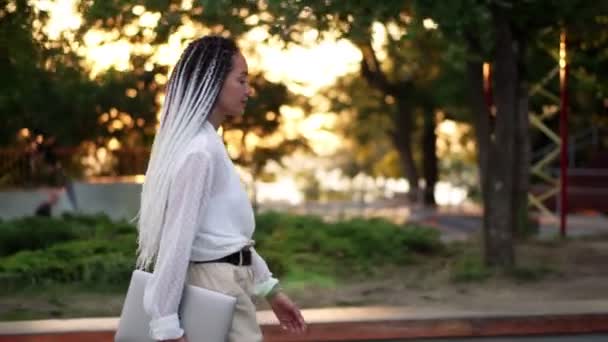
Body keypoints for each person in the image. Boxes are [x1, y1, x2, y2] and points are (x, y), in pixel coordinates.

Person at [136, 36, 307, 342]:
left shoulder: (209, 143)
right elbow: (177, 242)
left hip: (228, 282)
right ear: (213, 82)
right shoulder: (199, 151)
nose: (248, 90)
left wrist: (270, 290)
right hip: (216, 286)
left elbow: (227, 237)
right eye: (241, 80)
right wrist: (165, 325)